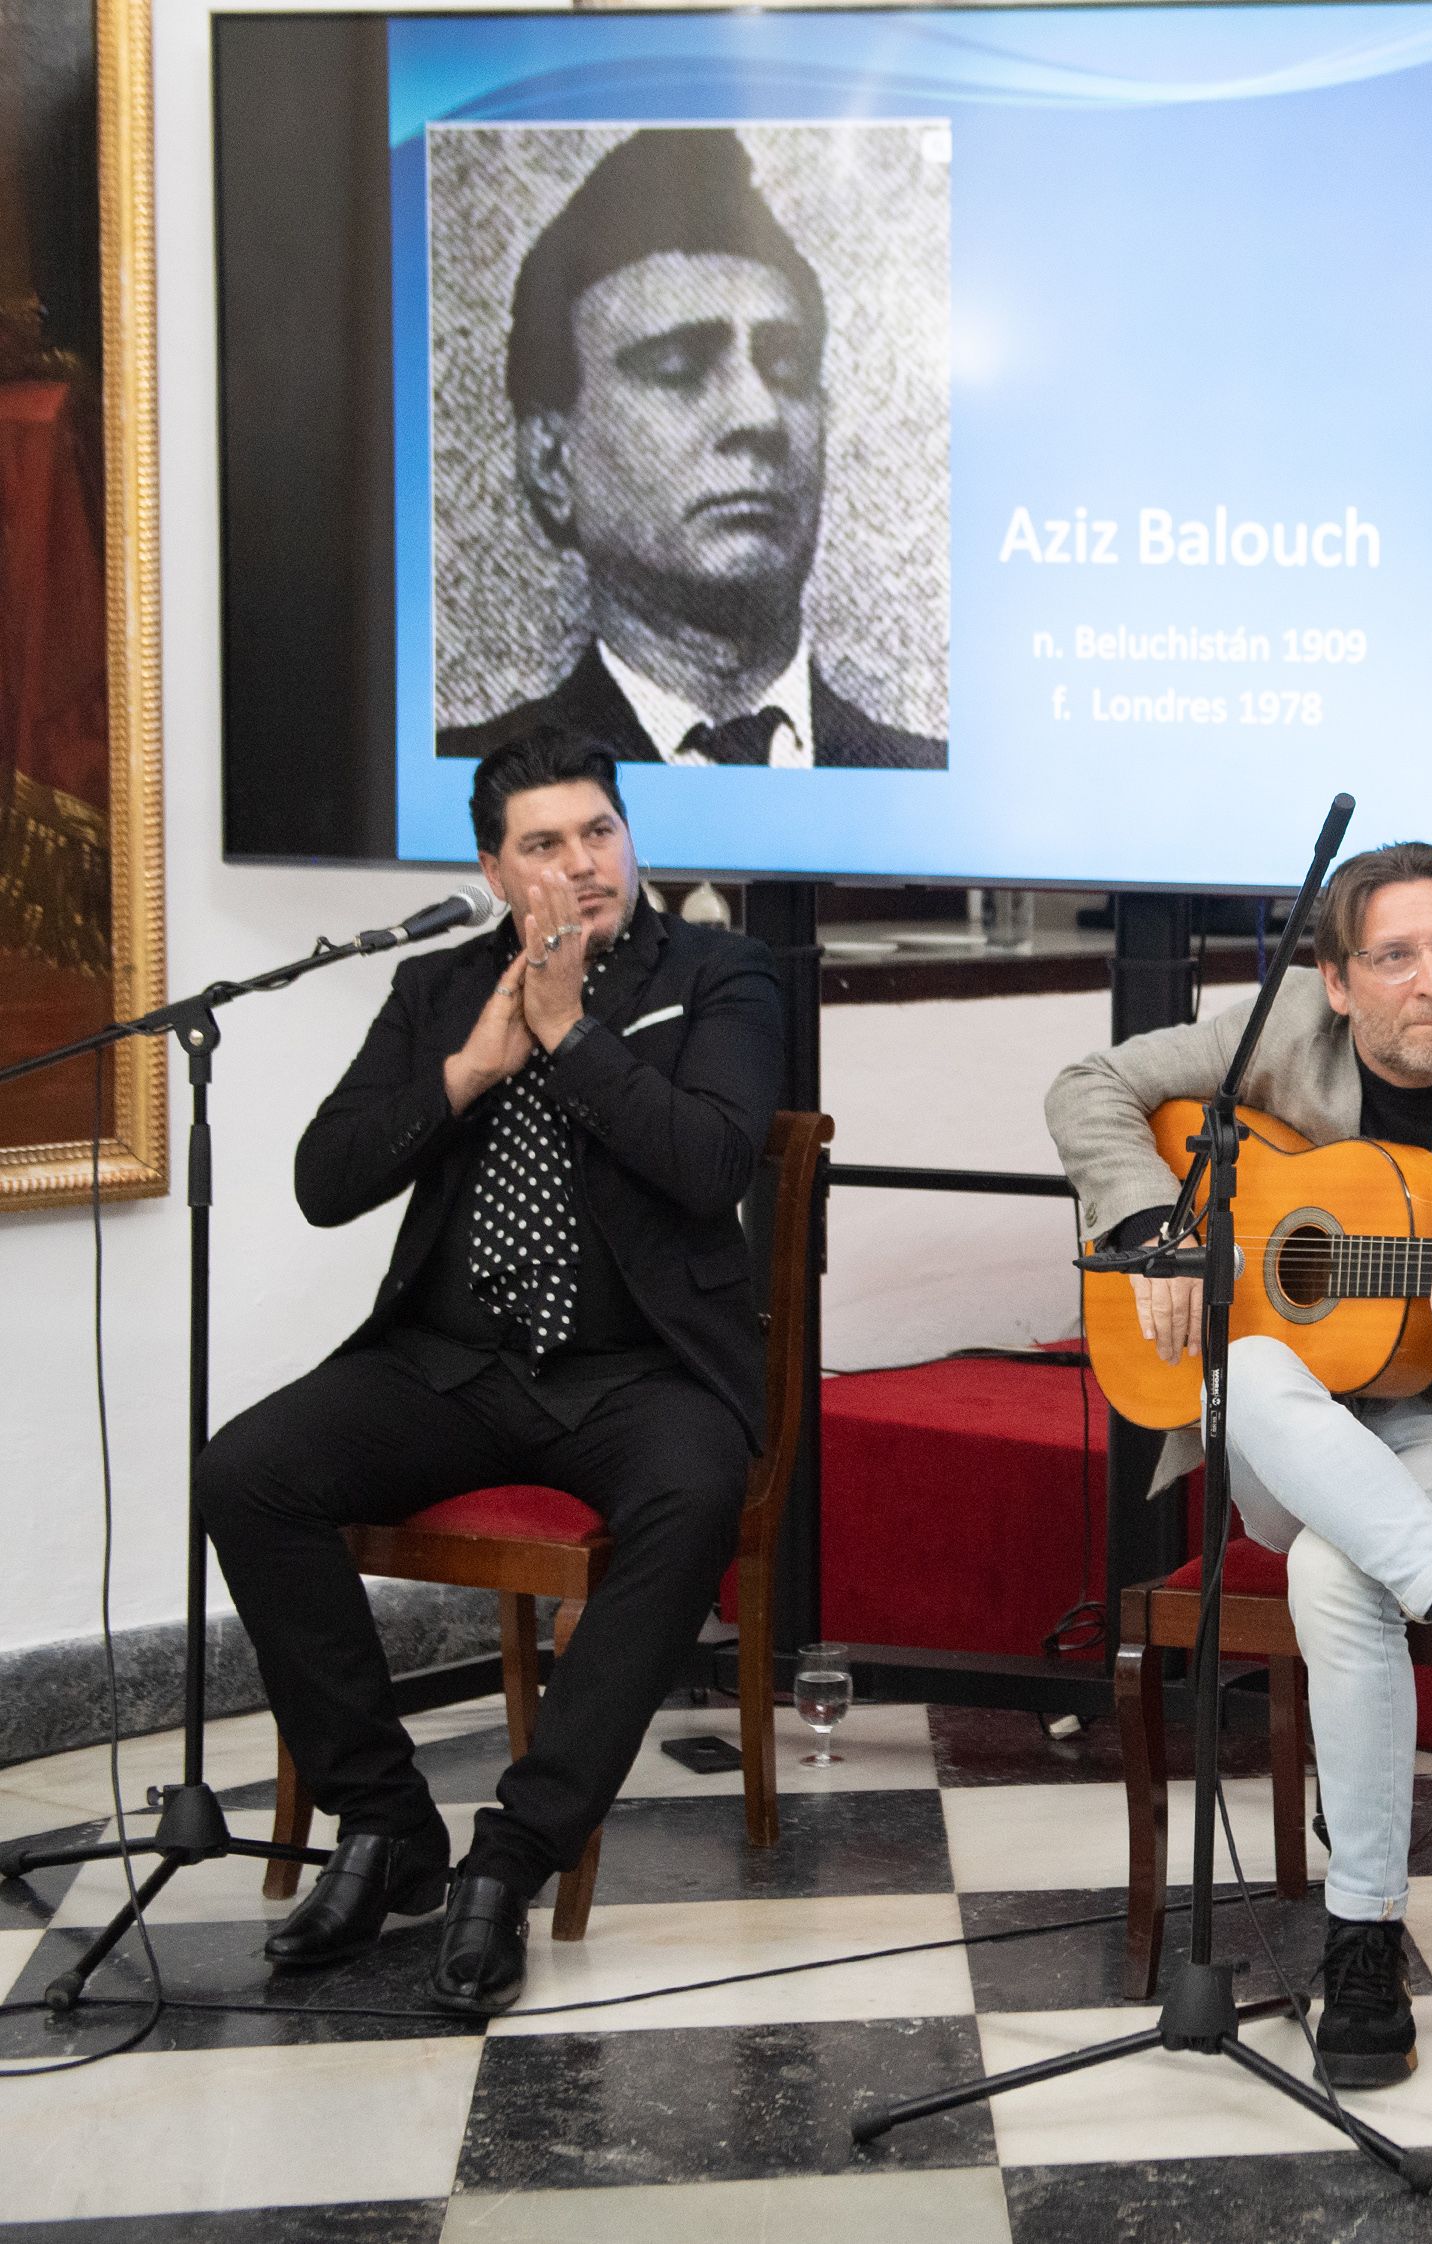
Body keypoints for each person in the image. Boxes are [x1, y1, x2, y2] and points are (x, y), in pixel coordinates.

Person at [200, 726, 785, 2013]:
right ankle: (385, 1823)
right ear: (494, 867)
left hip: (642, 1374)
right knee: (245, 1472)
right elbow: (325, 1179)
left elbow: (710, 1166)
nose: (582, 865)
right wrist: (470, 1069)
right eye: (545, 844)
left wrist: (574, 1036)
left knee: (691, 1500)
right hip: (453, 1364)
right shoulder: (440, 989)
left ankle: (509, 1859)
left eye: (600, 833)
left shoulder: (724, 975)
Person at [1047, 842, 1432, 2087]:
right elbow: (1090, 1087)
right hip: (1284, 1431)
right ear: (1336, 980)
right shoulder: (1280, 1037)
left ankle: (1363, 1939)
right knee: (1253, 1370)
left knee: (1334, 1576)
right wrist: (1158, 1234)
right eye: (1397, 956)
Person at [438, 127, 943, 770]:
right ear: (551, 463)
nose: (759, 416)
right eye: (678, 369)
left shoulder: (927, 782)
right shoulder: (472, 783)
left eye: (786, 371)